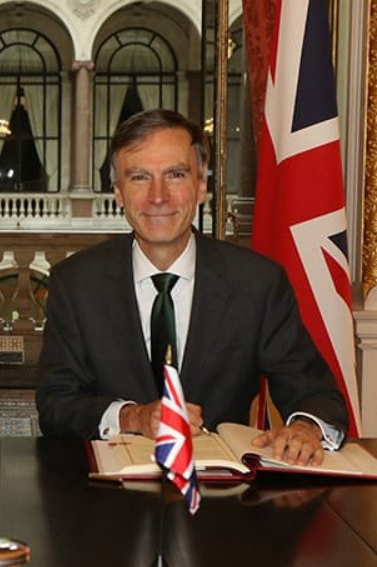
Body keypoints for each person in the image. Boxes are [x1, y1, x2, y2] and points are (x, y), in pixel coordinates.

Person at [36, 108, 348, 466]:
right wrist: (132, 417)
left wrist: (306, 428)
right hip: (106, 490)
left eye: (175, 175)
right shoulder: (76, 284)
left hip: (222, 492)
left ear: (201, 187)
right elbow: (55, 406)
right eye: (139, 177)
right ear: (118, 192)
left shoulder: (257, 283)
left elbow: (317, 395)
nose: (158, 196)